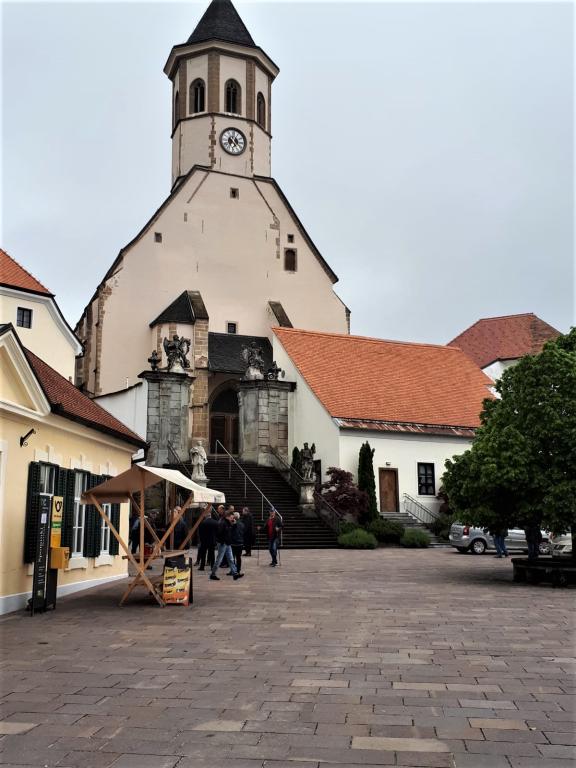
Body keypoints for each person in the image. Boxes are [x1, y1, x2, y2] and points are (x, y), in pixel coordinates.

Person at [210, 510, 244, 581]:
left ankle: (235, 573)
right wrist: (222, 541)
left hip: (227, 543)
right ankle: (213, 574)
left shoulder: (228, 522)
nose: (233, 518)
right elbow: (219, 533)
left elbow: (231, 531)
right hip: (223, 543)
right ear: (227, 516)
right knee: (219, 559)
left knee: (231, 559)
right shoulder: (222, 523)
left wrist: (234, 524)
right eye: (232, 517)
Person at [197, 506, 218, 570]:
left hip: (204, 541)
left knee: (203, 554)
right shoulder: (215, 522)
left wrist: (201, 540)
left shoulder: (202, 523)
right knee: (212, 554)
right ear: (210, 516)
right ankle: (212, 566)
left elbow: (200, 533)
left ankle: (202, 566)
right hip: (212, 541)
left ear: (206, 516)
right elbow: (217, 532)